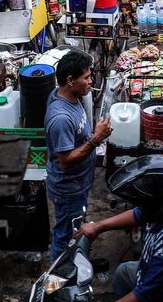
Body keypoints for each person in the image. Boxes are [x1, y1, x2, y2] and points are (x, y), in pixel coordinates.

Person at [76, 155, 163, 302]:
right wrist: (98, 226)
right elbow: (138, 215)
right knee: (123, 272)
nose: (138, 209)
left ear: (154, 208)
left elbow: (144, 295)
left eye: (141, 205)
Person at [45, 49, 110, 261]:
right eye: (87, 77)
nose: (91, 81)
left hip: (78, 185)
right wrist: (95, 139)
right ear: (70, 80)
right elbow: (65, 161)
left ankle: (75, 262)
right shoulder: (61, 118)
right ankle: (60, 282)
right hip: (68, 189)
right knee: (64, 237)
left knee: (74, 227)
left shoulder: (68, 95)